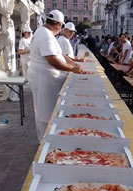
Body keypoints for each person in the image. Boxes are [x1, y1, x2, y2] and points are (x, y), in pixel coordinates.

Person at [28, 10, 85, 141]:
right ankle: (45, 142)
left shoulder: (45, 33)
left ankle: (48, 138)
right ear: (58, 25)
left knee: (47, 110)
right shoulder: (46, 35)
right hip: (43, 78)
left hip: (44, 77)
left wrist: (74, 64)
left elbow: (61, 54)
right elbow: (53, 60)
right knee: (45, 113)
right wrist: (72, 69)